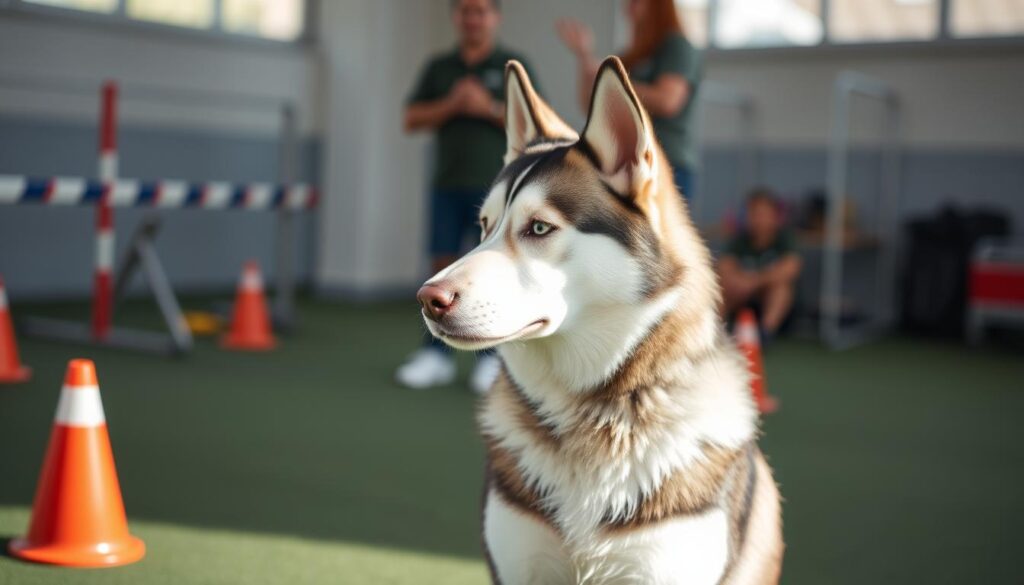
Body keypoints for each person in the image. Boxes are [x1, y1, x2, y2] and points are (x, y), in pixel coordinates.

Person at [396, 0, 540, 394]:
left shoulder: (514, 64)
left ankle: (490, 360)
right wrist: (451, 104)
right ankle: (434, 356)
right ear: (456, 18)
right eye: (464, 11)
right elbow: (411, 118)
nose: (472, 18)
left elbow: (537, 126)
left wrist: (488, 107)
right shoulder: (440, 68)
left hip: (496, 193)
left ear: (495, 17)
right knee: (442, 268)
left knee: (486, 273)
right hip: (447, 184)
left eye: (480, 11)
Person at [557, 0, 702, 200]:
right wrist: (584, 56)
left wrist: (613, 80)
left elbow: (668, 101)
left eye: (635, 2)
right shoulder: (630, 56)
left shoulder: (676, 46)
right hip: (627, 165)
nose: (628, 9)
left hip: (665, 163)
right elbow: (590, 104)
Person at [718, 188, 803, 338]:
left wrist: (753, 282)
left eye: (763, 214)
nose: (758, 219)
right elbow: (724, 267)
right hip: (741, 296)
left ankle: (765, 333)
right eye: (753, 213)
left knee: (781, 289)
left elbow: (791, 268)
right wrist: (739, 282)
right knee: (720, 288)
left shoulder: (784, 239)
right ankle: (715, 333)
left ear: (775, 216)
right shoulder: (740, 239)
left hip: (771, 300)